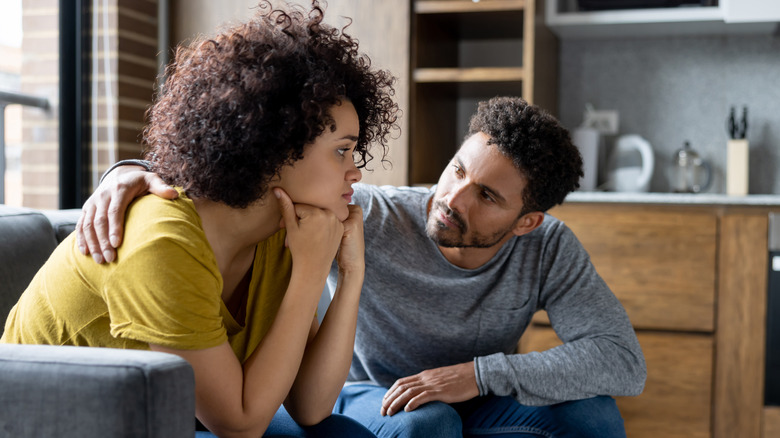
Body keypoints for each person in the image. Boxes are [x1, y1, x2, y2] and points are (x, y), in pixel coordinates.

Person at [75, 97, 647, 438]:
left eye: (488, 198)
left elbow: (621, 360)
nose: (453, 198)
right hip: (363, 394)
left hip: (475, 396)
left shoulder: (549, 248)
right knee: (428, 425)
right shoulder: (370, 213)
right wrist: (129, 171)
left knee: (594, 416)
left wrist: (474, 376)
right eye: (456, 171)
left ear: (527, 221)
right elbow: (243, 174)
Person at [1, 1, 399, 437]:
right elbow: (240, 425)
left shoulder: (281, 231)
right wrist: (308, 273)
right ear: (272, 147)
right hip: (57, 424)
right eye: (341, 149)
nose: (356, 170)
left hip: (168, 419)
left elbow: (310, 406)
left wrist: (351, 272)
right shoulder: (162, 239)